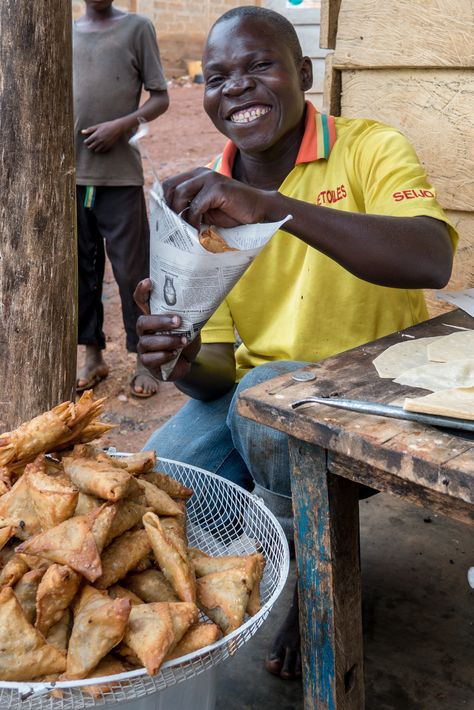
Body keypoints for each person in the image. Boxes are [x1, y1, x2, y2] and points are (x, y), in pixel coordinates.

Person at [134, 6, 457, 679]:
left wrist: (270, 207)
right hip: (260, 401)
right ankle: (227, 579)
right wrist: (181, 357)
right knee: (144, 495)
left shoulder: (368, 146)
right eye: (218, 77)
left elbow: (430, 258)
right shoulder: (199, 201)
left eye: (261, 65)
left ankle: (320, 581)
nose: (239, 86)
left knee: (266, 397)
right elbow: (217, 375)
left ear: (303, 73)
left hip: (378, 392)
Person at [73, 0, 169, 398]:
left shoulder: (137, 28)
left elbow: (159, 98)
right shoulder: (67, 35)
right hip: (71, 175)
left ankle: (145, 359)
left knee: (133, 271)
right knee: (80, 270)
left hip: (120, 175)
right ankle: (92, 355)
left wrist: (121, 125)